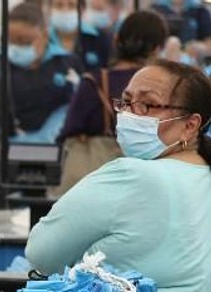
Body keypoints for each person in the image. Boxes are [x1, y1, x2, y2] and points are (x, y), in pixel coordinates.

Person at [25, 60, 211, 292]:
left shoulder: (130, 175)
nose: (130, 114)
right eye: (125, 102)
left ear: (190, 125)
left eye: (148, 104)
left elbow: (41, 252)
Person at [55, 11, 168, 195]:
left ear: (116, 40)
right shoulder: (164, 87)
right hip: (144, 182)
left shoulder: (93, 82)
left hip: (93, 179)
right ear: (157, 48)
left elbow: (70, 129)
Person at [0, 3, 82, 142]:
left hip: (55, 148)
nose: (17, 48)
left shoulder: (66, 65)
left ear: (44, 36)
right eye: (11, 41)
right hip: (2, 151)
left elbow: (78, 107)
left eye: (25, 42)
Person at [48, 0, 113, 70]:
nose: (65, 10)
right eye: (59, 5)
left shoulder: (101, 39)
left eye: (71, 5)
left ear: (82, 9)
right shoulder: (44, 42)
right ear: (49, 9)